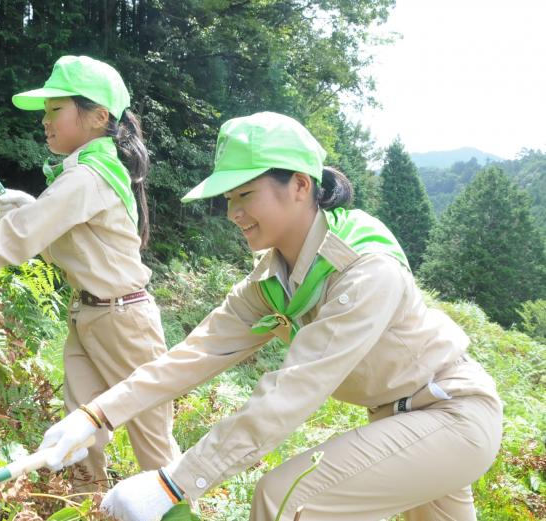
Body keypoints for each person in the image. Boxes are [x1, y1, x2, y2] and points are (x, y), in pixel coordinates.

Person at [39, 111, 502, 521]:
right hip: (401, 421)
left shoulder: (365, 271)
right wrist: (96, 415)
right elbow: (196, 353)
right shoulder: (274, 277)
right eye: (227, 198)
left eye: (246, 195)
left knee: (287, 501)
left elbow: (292, 393)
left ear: (300, 185)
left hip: (449, 413)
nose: (233, 212)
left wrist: (176, 483)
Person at [0, 55, 180, 490]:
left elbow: (18, 237)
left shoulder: (88, 175)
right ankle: (87, 510)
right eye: (44, 112)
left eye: (55, 109)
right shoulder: (82, 173)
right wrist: (34, 208)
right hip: (90, 316)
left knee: (151, 442)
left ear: (99, 117)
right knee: (78, 434)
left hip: (125, 322)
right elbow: (64, 244)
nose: (45, 121)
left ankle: (177, 510)